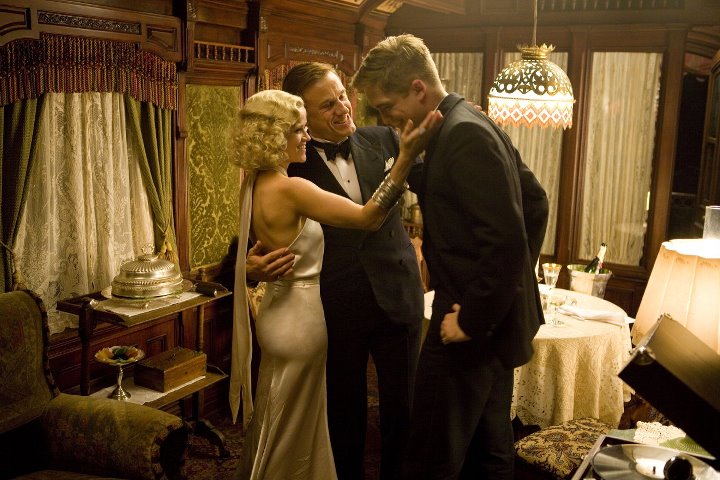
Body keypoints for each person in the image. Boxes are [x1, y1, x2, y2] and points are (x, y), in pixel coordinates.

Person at [352, 34, 549, 479]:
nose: (385, 119)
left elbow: (506, 240)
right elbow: (535, 202)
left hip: (467, 321)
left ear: (418, 88)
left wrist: (474, 316)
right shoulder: (464, 123)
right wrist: (510, 289)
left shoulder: (463, 134)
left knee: (430, 456)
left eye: (386, 106)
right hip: (491, 316)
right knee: (488, 450)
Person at [228, 89, 440, 479]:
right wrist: (403, 162)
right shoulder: (292, 185)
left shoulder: (253, 183)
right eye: (299, 129)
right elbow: (368, 217)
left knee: (281, 414)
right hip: (308, 318)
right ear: (275, 136)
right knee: (306, 419)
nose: (306, 137)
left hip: (281, 314)